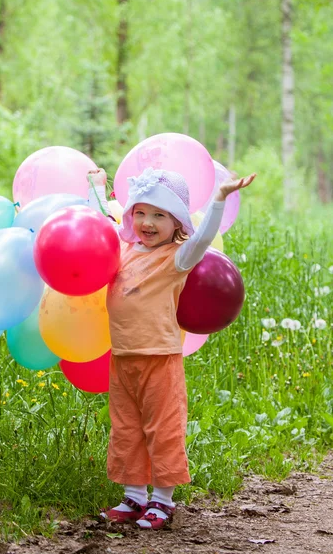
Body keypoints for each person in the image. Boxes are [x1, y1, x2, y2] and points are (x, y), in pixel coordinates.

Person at [87, 165, 256, 530]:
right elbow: (100, 220)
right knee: (127, 429)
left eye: (159, 215)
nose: (147, 222)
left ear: (177, 222)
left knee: (162, 429)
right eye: (141, 213)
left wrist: (219, 198)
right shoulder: (127, 249)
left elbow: (202, 238)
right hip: (123, 359)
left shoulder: (176, 258)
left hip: (159, 360)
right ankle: (134, 497)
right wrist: (98, 189)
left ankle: (162, 502)